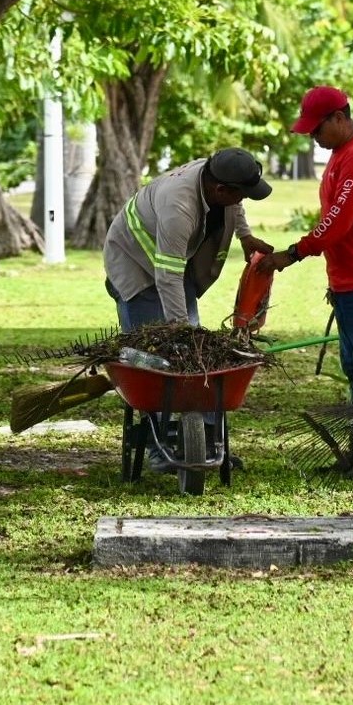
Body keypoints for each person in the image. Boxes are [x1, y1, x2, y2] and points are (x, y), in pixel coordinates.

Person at [259, 86, 353, 484]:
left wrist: (294, 252)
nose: (312, 137)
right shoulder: (343, 154)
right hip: (350, 280)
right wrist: (335, 281)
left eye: (316, 129)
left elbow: (336, 224)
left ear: (339, 118)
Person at [103, 147, 275, 468]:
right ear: (220, 190)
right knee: (154, 358)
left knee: (196, 361)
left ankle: (209, 438)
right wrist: (181, 334)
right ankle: (158, 448)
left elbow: (235, 206)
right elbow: (167, 277)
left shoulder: (216, 178)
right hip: (134, 265)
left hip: (169, 261)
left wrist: (245, 236)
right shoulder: (178, 208)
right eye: (241, 195)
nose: (243, 201)